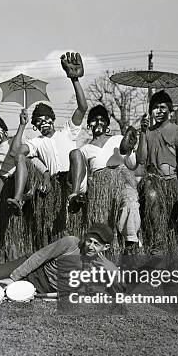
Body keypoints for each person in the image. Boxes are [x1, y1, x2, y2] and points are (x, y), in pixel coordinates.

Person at [8, 52, 88, 248]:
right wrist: (21, 125)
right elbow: (16, 153)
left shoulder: (67, 131)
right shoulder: (37, 142)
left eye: (46, 120)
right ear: (35, 126)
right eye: (39, 122)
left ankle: (75, 196)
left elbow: (82, 107)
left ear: (53, 119)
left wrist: (74, 79)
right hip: (56, 183)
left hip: (72, 180)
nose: (44, 124)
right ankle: (17, 200)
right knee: (21, 158)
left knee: (76, 153)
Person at [135, 90, 178, 262]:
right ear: (150, 111)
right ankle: (156, 249)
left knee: (174, 228)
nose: (159, 111)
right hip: (153, 184)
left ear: (170, 110)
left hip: (173, 184)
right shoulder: (147, 132)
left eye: (163, 107)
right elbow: (141, 159)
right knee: (153, 213)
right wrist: (143, 133)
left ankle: (173, 265)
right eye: (155, 108)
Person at [66, 104, 141, 253]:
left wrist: (131, 149)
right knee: (103, 224)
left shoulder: (118, 139)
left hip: (122, 181)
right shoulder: (85, 149)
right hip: (100, 190)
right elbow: (83, 179)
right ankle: (107, 255)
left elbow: (132, 165)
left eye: (102, 119)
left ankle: (130, 243)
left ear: (107, 124)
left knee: (130, 203)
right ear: (89, 125)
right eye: (93, 120)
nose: (98, 122)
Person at [0, 111, 47, 260]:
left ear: (4, 129)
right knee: (10, 230)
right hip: (11, 187)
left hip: (30, 183)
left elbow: (32, 159)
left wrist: (45, 174)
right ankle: (11, 263)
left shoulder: (17, 141)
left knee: (36, 228)